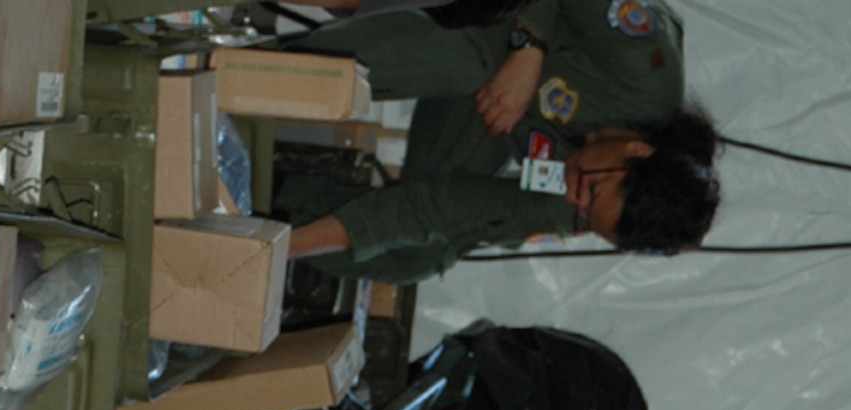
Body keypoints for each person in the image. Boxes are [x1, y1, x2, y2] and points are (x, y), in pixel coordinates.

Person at [273, 0, 721, 283]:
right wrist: (529, 48)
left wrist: (281, 250)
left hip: (485, 111)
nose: (570, 195)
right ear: (637, 152)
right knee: (472, 63)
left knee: (419, 254)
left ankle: (271, 206)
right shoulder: (644, 65)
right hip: (489, 21)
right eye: (590, 189)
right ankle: (257, 70)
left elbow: (442, 208)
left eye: (584, 211)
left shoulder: (579, 201)